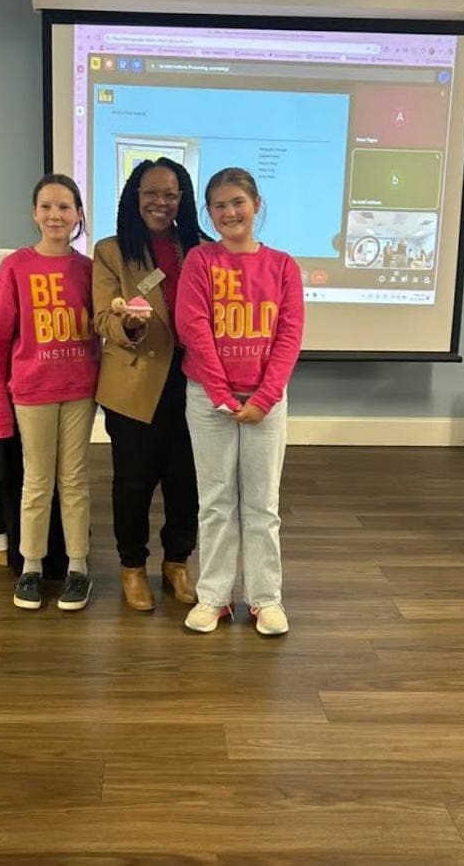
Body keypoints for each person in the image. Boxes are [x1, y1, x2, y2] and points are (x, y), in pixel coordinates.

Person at [175, 167, 304, 636]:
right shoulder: (200, 261)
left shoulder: (283, 266)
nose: (230, 213)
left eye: (238, 202)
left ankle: (266, 598)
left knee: (262, 505)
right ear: (208, 213)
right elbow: (193, 328)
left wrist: (264, 398)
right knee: (215, 502)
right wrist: (222, 396)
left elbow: (289, 335)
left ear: (256, 205)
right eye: (219, 205)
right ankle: (215, 596)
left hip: (265, 403)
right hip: (209, 401)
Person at [93, 157, 208, 611]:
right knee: (133, 482)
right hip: (135, 383)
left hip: (192, 382)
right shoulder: (112, 251)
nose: (161, 202)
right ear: (134, 198)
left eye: (170, 194)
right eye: (151, 193)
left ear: (183, 200)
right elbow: (102, 318)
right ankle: (132, 567)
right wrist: (128, 325)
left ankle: (177, 562)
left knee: (186, 482)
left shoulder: (200, 247)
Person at [0, 174, 98, 612]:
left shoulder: (89, 270)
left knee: (74, 480)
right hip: (32, 392)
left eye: (65, 207)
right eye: (47, 207)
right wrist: (0, 413)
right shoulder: (16, 267)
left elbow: (104, 329)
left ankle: (78, 567)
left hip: (80, 390)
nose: (55, 215)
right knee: (36, 481)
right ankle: (31, 566)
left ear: (78, 215)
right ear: (34, 213)